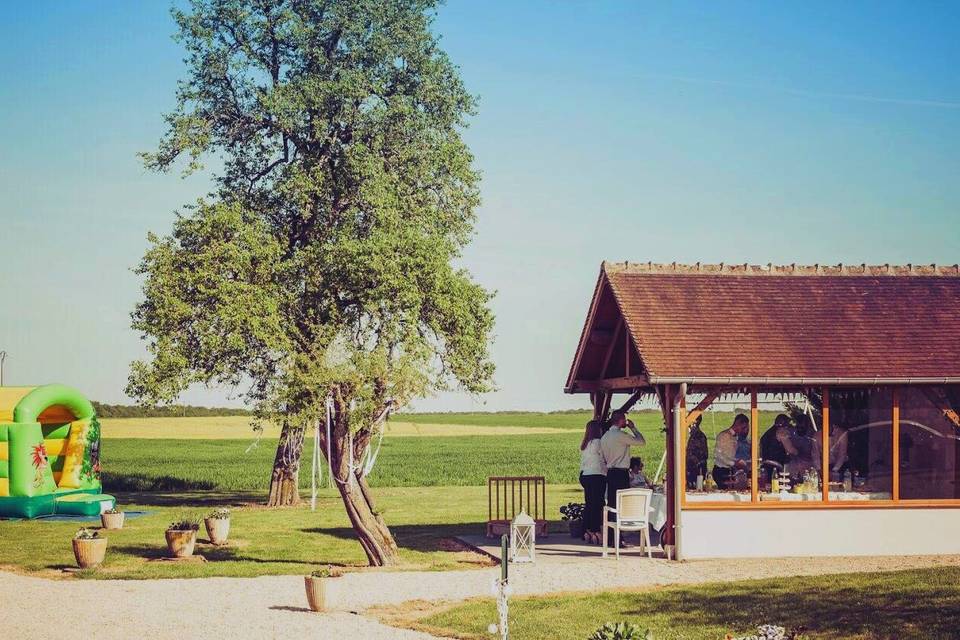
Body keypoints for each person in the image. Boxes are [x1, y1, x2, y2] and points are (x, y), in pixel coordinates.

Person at [601, 410, 646, 524]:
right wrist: (633, 428)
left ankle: (611, 533)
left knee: (612, 502)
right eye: (624, 419)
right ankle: (620, 531)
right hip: (621, 473)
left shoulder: (605, 436)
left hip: (610, 472)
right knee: (621, 503)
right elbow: (641, 442)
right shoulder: (620, 435)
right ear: (621, 420)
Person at [578, 420, 607, 544]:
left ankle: (586, 530)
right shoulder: (599, 443)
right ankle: (595, 531)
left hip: (585, 475)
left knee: (589, 504)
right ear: (598, 430)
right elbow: (605, 458)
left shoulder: (585, 444)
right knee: (597, 505)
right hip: (597, 475)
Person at [712, 413, 751, 488]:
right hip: (721, 471)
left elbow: (732, 454)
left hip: (730, 470)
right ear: (737, 424)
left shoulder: (737, 437)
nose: (745, 431)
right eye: (743, 428)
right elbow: (720, 456)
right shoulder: (724, 436)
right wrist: (734, 463)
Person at [759, 414, 793, 484]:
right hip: (777, 464)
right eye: (787, 424)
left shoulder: (767, 433)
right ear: (782, 424)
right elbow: (790, 450)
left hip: (766, 463)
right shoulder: (781, 432)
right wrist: (798, 453)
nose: (788, 426)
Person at [685, 415, 708, 489]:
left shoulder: (699, 436)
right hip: (690, 470)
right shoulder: (691, 435)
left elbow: (704, 455)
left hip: (695, 472)